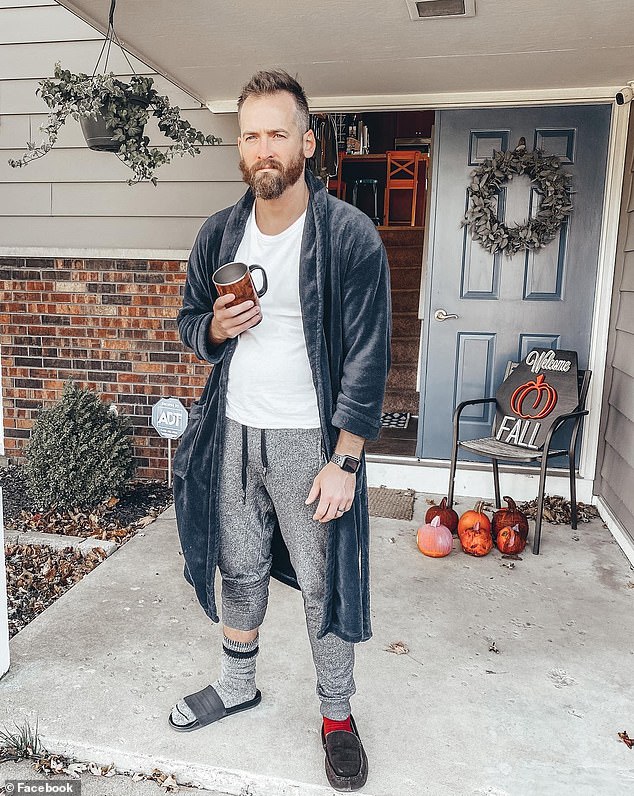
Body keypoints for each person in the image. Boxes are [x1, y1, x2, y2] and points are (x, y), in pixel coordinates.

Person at [169, 69, 391, 792]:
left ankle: (336, 718)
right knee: (238, 568)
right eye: (252, 135)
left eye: (278, 132)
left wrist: (346, 461)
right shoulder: (220, 233)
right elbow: (187, 326)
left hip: (309, 443)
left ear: (307, 139)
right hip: (233, 435)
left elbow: (368, 355)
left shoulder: (347, 236)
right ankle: (237, 686)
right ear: (241, 146)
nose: (264, 148)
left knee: (325, 587)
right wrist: (213, 327)